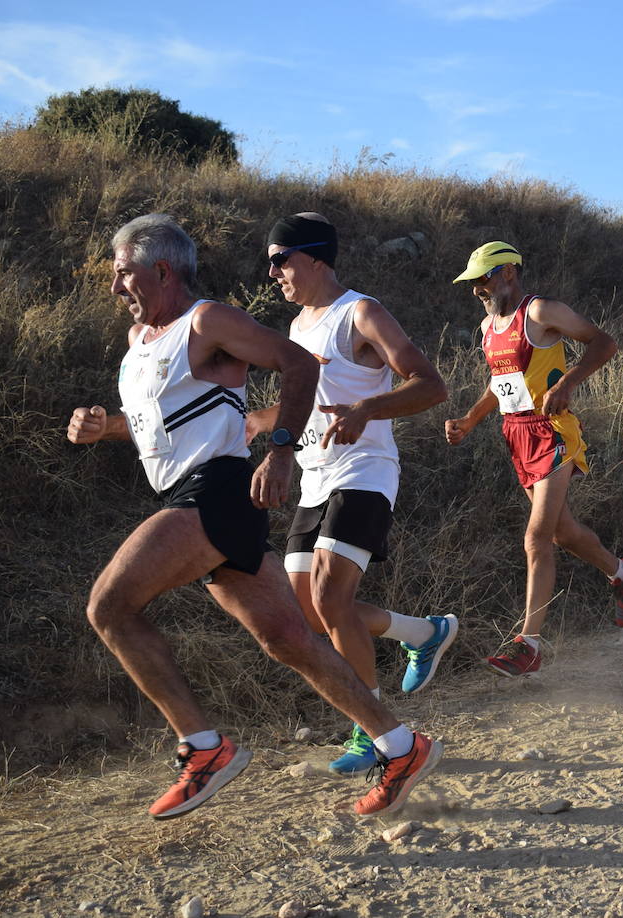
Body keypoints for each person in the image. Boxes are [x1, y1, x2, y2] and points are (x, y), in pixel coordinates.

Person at [66, 213, 441, 819]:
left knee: (108, 605)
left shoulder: (208, 321)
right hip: (188, 492)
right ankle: (400, 746)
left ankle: (203, 748)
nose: (115, 289)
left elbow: (301, 365)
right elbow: (158, 430)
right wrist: (103, 427)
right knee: (289, 636)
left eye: (123, 274)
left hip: (213, 493)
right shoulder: (138, 345)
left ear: (161, 270)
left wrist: (281, 451)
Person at [246, 213, 456, 776]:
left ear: (315, 259)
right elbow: (311, 403)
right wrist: (257, 422)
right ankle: (424, 631)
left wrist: (368, 409)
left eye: (280, 260)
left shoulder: (360, 313)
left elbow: (430, 385)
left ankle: (374, 733)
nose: (273, 273)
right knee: (308, 615)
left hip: (365, 469)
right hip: (315, 476)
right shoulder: (296, 329)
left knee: (332, 600)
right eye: (271, 262)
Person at [444, 241, 623, 677]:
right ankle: (621, 572)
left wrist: (567, 383)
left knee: (535, 538)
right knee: (563, 534)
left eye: (483, 279)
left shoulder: (541, 312)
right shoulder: (488, 327)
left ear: (509, 272)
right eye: (472, 282)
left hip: (553, 431)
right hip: (516, 435)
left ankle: (527, 644)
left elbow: (604, 343)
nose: (477, 288)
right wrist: (470, 420)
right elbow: (501, 384)